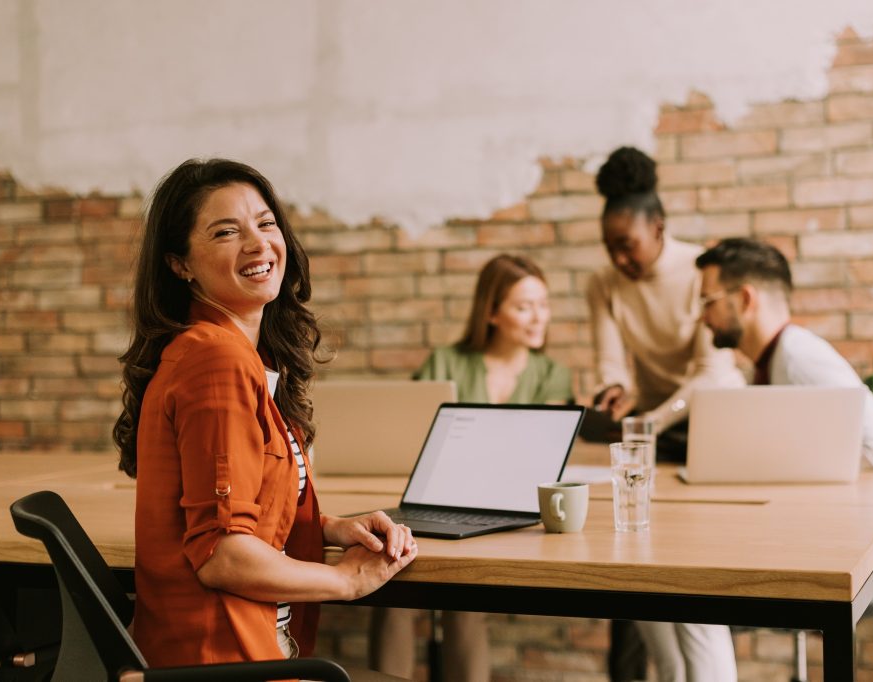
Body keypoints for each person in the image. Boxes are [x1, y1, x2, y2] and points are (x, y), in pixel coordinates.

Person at [113, 159, 417, 671]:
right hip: (225, 660)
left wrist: (328, 527)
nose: (257, 244)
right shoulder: (216, 358)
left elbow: (238, 509)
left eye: (266, 222)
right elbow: (222, 555)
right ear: (179, 263)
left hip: (228, 652)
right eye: (226, 232)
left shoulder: (228, 354)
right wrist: (347, 580)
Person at [369, 254, 573, 681]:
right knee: (390, 589)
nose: (539, 319)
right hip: (436, 502)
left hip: (503, 514)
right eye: (524, 307)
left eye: (544, 305)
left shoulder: (552, 374)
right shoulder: (446, 362)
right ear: (492, 312)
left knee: (465, 603)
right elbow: (409, 438)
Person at [588, 147, 742, 682]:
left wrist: (650, 418)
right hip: (653, 434)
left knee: (694, 586)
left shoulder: (703, 270)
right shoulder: (604, 283)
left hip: (715, 430)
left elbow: (710, 373)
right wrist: (616, 392)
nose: (619, 260)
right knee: (644, 568)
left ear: (658, 228)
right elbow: (612, 364)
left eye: (626, 246)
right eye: (609, 248)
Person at [695, 237, 873, 468]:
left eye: (708, 301)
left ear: (746, 299)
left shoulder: (799, 359)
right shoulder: (773, 360)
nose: (702, 316)